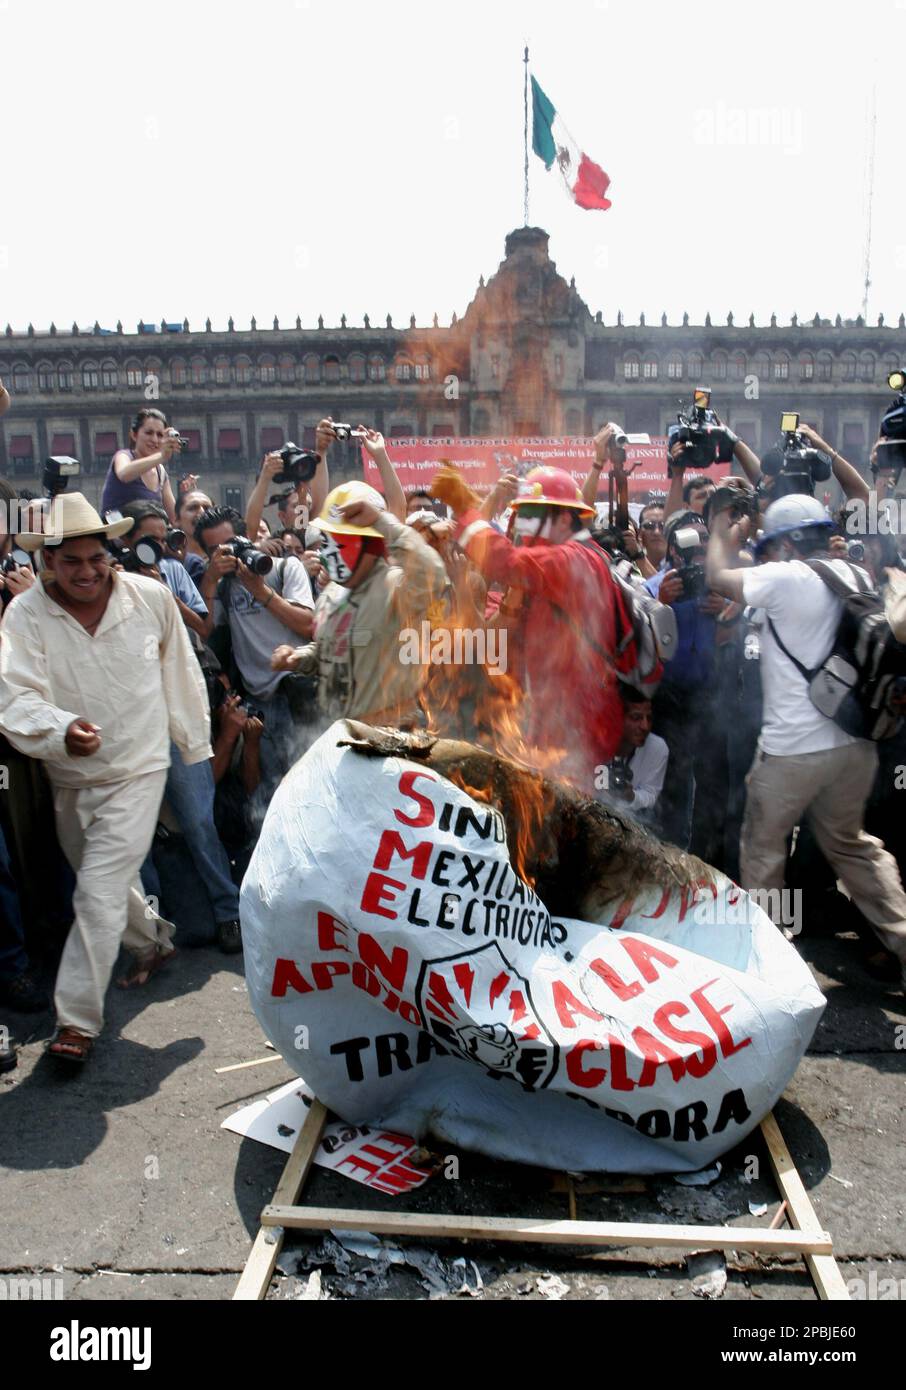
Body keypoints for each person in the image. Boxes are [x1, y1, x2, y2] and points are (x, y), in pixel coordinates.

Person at [0, 493, 212, 1063]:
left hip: (141, 768)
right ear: (47, 562)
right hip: (68, 776)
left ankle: (76, 1022)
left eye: (96, 557)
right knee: (105, 882)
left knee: (94, 891)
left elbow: (180, 669)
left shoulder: (149, 598)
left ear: (110, 553)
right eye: (71, 561)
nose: (86, 571)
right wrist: (59, 729)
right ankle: (153, 941)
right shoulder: (24, 615)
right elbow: (13, 692)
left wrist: (193, 744)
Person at [707, 493, 906, 987]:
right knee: (853, 846)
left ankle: (771, 971)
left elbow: (717, 579)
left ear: (789, 542)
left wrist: (720, 538)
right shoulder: (855, 574)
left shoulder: (788, 577)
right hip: (856, 747)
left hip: (792, 752)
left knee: (763, 849)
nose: (768, 553)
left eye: (771, 545)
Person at [430, 463, 642, 789]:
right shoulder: (561, 563)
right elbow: (497, 638)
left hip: (578, 728)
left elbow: (507, 562)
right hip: (556, 721)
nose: (523, 529)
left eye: (530, 517)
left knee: (565, 822)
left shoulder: (573, 560)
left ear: (561, 518)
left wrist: (466, 511)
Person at [272, 480, 447, 726]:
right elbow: (327, 649)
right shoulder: (330, 596)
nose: (328, 553)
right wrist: (298, 657)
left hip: (393, 735)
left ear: (370, 545)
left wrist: (381, 522)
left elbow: (434, 574)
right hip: (341, 733)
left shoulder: (397, 588)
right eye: (326, 542)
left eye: (339, 544)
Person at [196, 506, 316, 803]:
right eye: (217, 550)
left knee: (309, 787)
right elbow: (203, 632)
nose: (229, 554)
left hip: (297, 697)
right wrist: (210, 581)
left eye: (234, 543)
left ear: (248, 537)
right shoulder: (221, 587)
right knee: (268, 796)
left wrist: (260, 590)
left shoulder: (284, 568)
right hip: (257, 702)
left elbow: (308, 626)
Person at [644, 511, 727, 860]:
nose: (701, 546)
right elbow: (638, 640)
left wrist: (726, 610)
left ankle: (709, 864)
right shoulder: (654, 586)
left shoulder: (722, 584)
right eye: (692, 539)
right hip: (667, 701)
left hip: (710, 702)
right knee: (674, 787)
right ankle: (671, 859)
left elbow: (735, 638)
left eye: (705, 538)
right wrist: (660, 604)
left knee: (712, 787)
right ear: (674, 549)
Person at [598, 689, 669, 825]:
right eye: (636, 718)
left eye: (649, 718)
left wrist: (631, 797)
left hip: (631, 824)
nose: (645, 726)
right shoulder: (596, 741)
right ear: (617, 718)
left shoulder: (657, 748)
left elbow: (651, 794)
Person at [100, 408, 181, 523]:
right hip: (117, 536)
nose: (154, 439)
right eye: (149, 433)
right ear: (134, 435)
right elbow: (124, 474)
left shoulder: (160, 472)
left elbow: (174, 518)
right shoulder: (123, 456)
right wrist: (161, 456)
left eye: (159, 435)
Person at [173, 487, 214, 584]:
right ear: (177, 520)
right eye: (192, 508)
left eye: (207, 508)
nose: (202, 512)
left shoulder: (225, 556)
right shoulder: (171, 560)